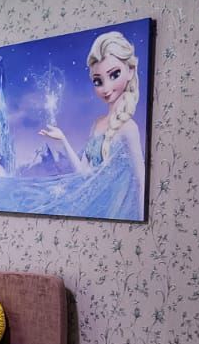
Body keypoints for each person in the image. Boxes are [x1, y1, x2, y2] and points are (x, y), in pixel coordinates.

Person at [35, 30, 146, 219]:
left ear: (130, 71)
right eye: (98, 81)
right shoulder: (96, 124)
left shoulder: (129, 128)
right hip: (94, 211)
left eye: (114, 75)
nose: (106, 88)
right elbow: (83, 173)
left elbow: (141, 182)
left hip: (117, 213)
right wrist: (63, 140)